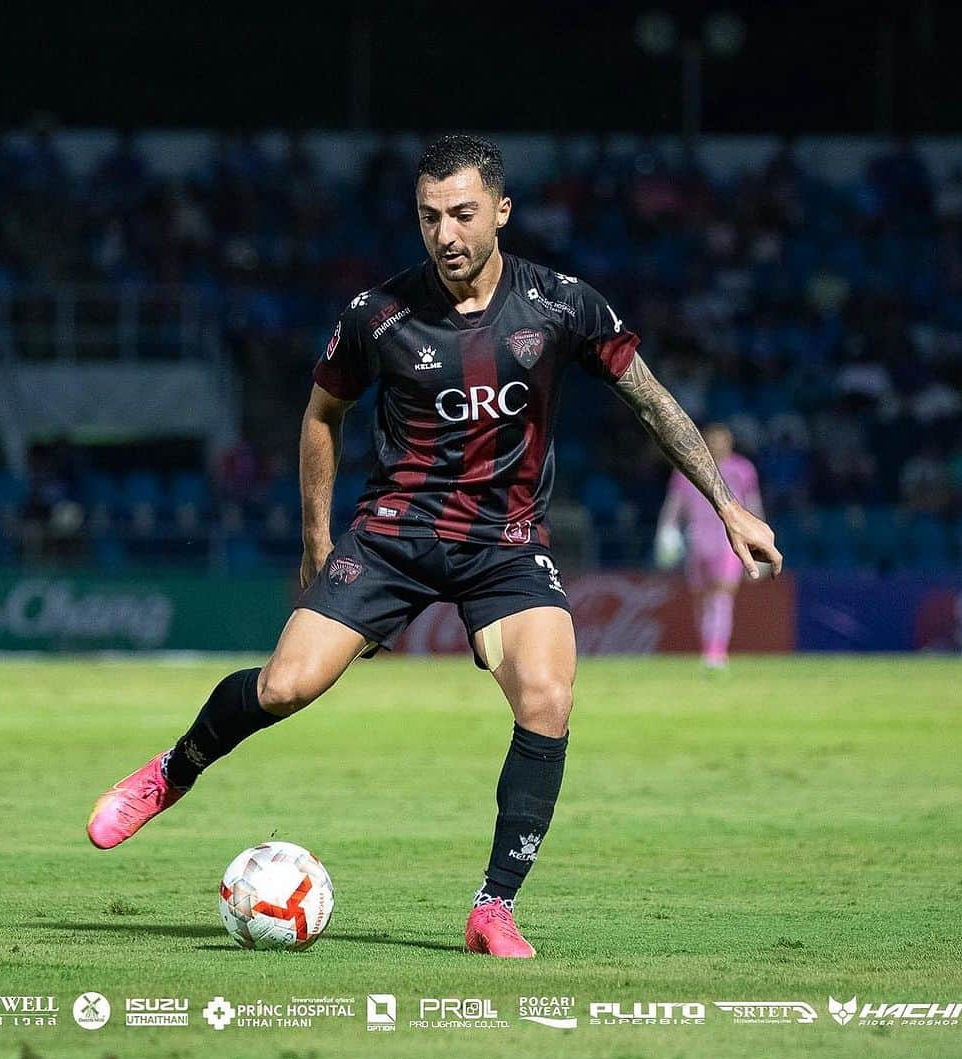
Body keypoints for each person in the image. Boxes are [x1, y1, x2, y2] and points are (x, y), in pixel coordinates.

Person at [87, 135, 782, 957]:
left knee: (549, 697)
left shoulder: (562, 304)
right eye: (428, 217)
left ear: (500, 212)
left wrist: (728, 505)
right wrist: (316, 539)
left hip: (507, 544)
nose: (445, 234)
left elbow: (652, 402)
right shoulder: (378, 315)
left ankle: (493, 908)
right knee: (284, 688)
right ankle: (171, 772)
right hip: (394, 535)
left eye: (462, 214)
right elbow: (321, 414)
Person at [655, 424, 764, 669]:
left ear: (730, 442)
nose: (716, 444)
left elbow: (753, 505)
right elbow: (674, 505)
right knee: (701, 599)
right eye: (711, 440)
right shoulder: (687, 468)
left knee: (722, 595)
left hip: (728, 544)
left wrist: (759, 537)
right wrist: (666, 532)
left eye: (721, 440)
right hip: (697, 542)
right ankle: (708, 648)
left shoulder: (742, 469)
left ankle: (716, 652)